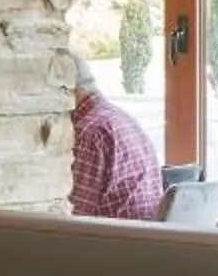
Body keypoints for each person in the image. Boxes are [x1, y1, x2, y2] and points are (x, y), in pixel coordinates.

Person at [69, 55, 163, 220]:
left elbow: (75, 216)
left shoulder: (90, 132)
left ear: (65, 89)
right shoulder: (121, 118)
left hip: (116, 240)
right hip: (144, 235)